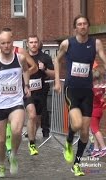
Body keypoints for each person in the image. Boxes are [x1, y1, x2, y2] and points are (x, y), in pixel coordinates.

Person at [54, 15, 106, 176]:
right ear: (75, 27)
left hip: (87, 91)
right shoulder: (67, 43)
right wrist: (57, 81)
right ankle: (69, 142)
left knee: (84, 132)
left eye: (85, 24)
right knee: (76, 124)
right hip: (72, 89)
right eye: (79, 24)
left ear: (88, 27)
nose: (82, 26)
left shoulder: (95, 43)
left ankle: (76, 164)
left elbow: (104, 58)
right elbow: (56, 60)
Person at [0, 30, 31, 178]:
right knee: (1, 140)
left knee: (16, 131)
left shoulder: (20, 58)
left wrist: (26, 85)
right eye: (3, 43)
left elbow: (26, 70)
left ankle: (13, 155)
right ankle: (1, 164)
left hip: (16, 102)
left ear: (12, 42)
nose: (6, 46)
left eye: (8, 42)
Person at [23, 35, 55, 155]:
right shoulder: (23, 58)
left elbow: (53, 74)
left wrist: (45, 69)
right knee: (31, 115)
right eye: (31, 42)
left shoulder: (45, 57)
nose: (33, 44)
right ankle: (32, 143)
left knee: (37, 118)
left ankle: (32, 135)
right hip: (27, 91)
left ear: (39, 43)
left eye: (35, 42)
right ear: (27, 44)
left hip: (41, 91)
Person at [90, 65, 106, 157]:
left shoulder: (92, 89)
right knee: (94, 129)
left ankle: (103, 148)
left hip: (93, 111)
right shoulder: (102, 87)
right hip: (100, 110)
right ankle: (96, 149)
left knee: (95, 130)